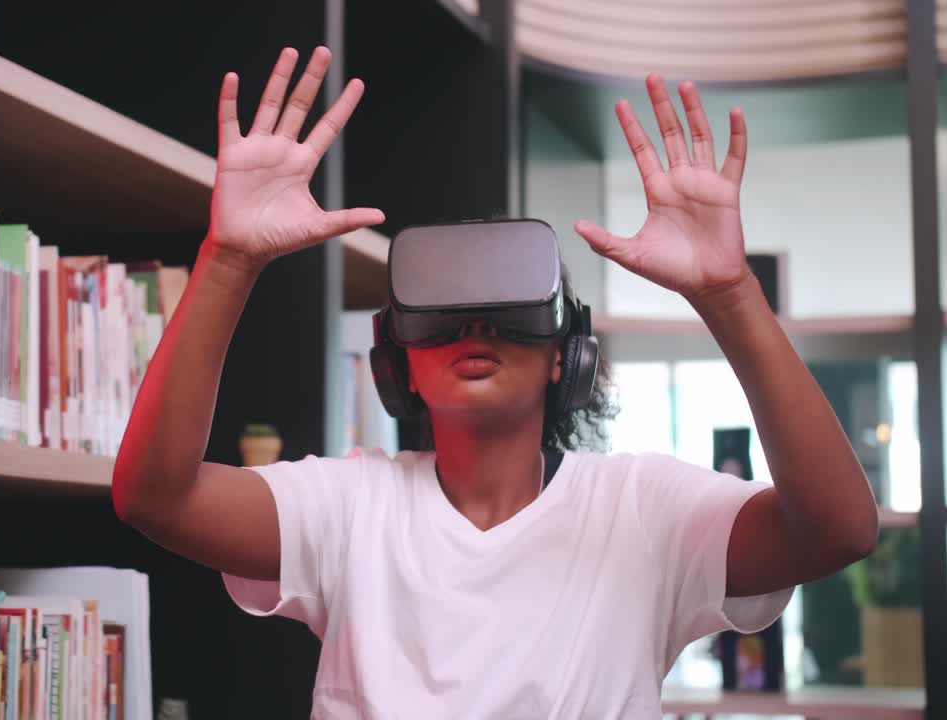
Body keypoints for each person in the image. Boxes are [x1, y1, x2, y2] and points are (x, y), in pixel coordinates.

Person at [111, 46, 879, 718]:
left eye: (509, 309)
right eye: (442, 312)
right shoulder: (349, 509)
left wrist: (729, 293)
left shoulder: (643, 511)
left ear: (563, 356)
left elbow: (838, 530)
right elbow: (155, 497)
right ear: (395, 361)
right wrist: (230, 258)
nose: (475, 329)